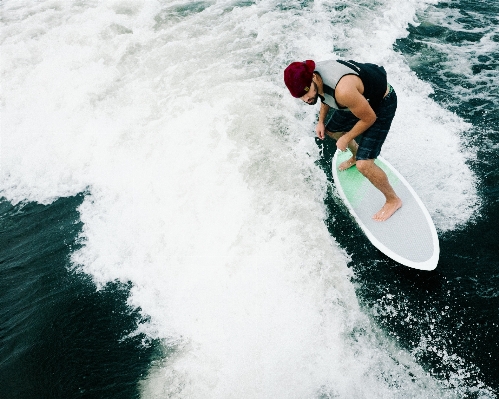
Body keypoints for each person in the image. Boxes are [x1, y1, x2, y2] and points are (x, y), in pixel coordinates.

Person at [284, 59, 402, 222]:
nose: (306, 99)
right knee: (332, 131)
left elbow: (369, 118)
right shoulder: (315, 79)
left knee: (364, 165)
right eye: (300, 96)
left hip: (381, 102)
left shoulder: (343, 91)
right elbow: (325, 96)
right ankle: (354, 155)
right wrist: (320, 121)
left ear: (313, 78)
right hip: (359, 99)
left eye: (305, 92)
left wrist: (347, 138)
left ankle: (393, 200)